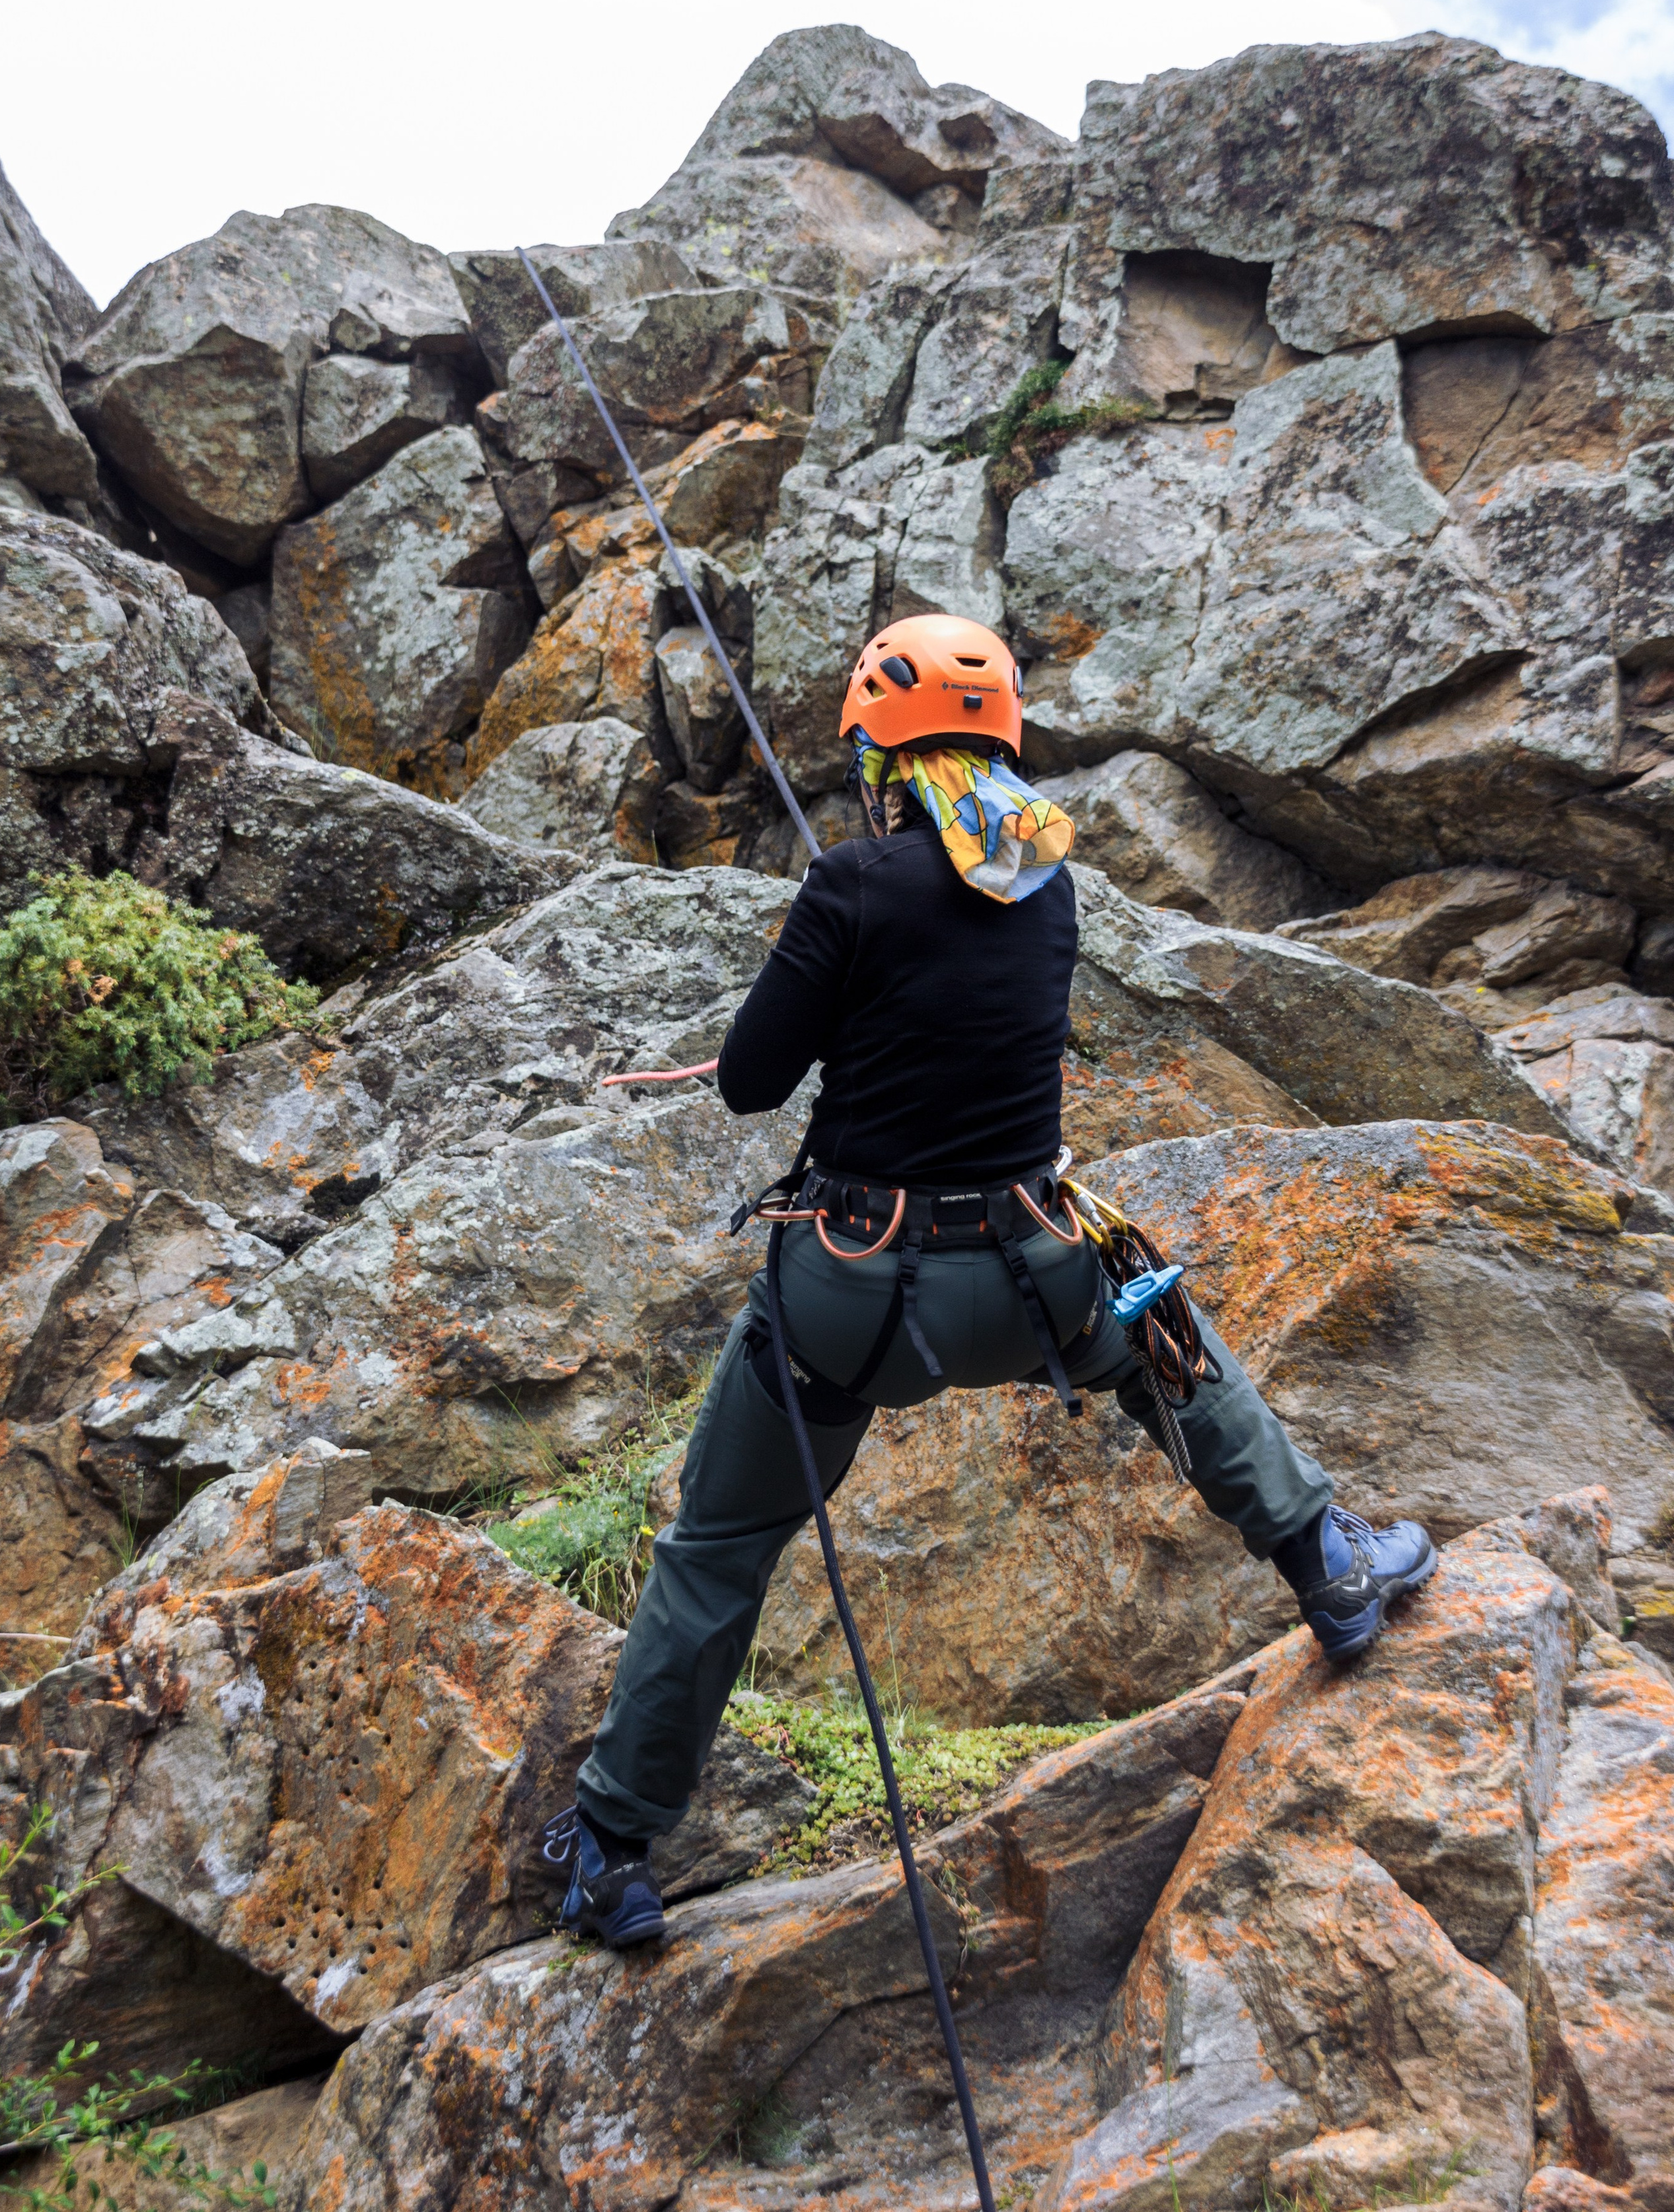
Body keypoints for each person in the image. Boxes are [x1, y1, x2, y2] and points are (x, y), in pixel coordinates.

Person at [552, 614, 1436, 1948]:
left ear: (880, 757)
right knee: (1157, 1326)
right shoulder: (1048, 881)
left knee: (718, 1547)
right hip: (1033, 1280)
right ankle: (1326, 1558)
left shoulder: (849, 884)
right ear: (1000, 745)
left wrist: (821, 957)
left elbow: (749, 1081)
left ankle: (613, 1848)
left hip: (852, 1304)